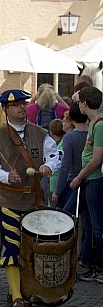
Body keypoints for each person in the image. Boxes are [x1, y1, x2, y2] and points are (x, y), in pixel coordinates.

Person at [0, 89, 61, 307]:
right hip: (9, 199)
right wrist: (5, 176)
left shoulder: (39, 132)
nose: (22, 108)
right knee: (12, 246)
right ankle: (17, 296)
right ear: (5, 109)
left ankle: (20, 287)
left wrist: (48, 167)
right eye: (15, 105)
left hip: (34, 199)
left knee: (30, 248)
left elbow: (55, 155)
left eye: (24, 104)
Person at [51, 103, 91, 273]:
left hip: (72, 183)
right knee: (88, 224)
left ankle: (63, 255)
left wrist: (57, 191)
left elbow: (64, 167)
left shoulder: (70, 138)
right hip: (89, 180)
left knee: (65, 220)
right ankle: (87, 259)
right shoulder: (91, 132)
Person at [69, 87, 103, 282]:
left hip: (95, 180)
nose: (76, 104)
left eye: (79, 102)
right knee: (87, 223)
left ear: (84, 104)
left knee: (98, 226)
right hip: (90, 180)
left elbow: (97, 159)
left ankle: (99, 267)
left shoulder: (99, 125)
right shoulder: (93, 123)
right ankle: (91, 265)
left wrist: (79, 177)